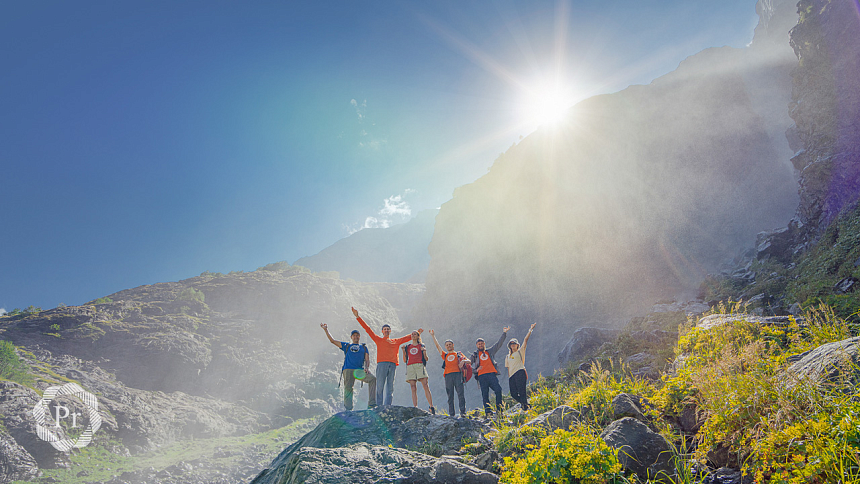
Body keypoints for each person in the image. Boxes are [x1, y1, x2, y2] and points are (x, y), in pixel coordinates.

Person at [352, 307, 416, 406]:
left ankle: (388, 406)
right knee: (380, 386)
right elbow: (368, 329)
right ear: (382, 331)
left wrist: (418, 333)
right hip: (381, 364)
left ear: (390, 331)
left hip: (393, 365)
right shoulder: (378, 340)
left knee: (390, 387)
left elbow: (408, 337)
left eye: (388, 329)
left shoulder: (396, 341)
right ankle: (379, 406)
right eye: (385, 329)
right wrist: (357, 317)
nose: (386, 330)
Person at [321, 322, 377, 411]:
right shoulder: (346, 345)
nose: (356, 337)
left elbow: (367, 359)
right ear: (351, 337)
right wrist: (326, 330)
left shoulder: (364, 347)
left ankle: (372, 404)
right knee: (348, 388)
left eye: (357, 335)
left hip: (359, 370)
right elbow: (332, 341)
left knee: (372, 379)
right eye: (354, 335)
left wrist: (367, 368)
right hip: (348, 369)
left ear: (359, 337)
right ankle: (348, 409)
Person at [429, 329, 470, 417]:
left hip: (458, 375)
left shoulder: (458, 354)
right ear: (446, 347)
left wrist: (463, 361)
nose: (448, 346)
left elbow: (469, 361)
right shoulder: (445, 355)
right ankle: (452, 414)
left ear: (453, 345)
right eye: (447, 345)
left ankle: (463, 412)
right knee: (450, 395)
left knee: (460, 394)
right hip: (448, 376)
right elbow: (437, 346)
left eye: (450, 344)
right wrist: (433, 335)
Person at [470, 326, 510, 416]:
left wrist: (504, 333)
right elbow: (468, 365)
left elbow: (498, 344)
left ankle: (499, 410)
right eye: (479, 344)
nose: (480, 345)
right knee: (485, 394)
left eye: (482, 343)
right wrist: (475, 370)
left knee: (498, 390)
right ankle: (488, 412)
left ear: (484, 344)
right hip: (481, 376)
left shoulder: (490, 351)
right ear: (477, 345)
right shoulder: (475, 355)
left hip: (491, 375)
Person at [402, 329, 435, 414]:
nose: (413, 335)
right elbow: (405, 360)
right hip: (410, 366)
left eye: (415, 334)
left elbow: (426, 359)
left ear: (418, 336)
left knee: (425, 385)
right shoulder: (407, 347)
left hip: (420, 365)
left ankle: (431, 406)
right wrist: (403, 351)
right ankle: (415, 407)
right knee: (413, 387)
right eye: (412, 334)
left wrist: (424, 352)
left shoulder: (421, 346)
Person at [505, 323, 536, 412]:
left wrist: (530, 330)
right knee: (513, 394)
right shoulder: (507, 357)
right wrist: (510, 377)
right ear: (510, 346)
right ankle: (525, 404)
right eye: (511, 344)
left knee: (522, 390)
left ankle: (525, 407)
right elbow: (508, 368)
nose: (513, 345)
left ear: (517, 345)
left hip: (520, 372)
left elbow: (525, 340)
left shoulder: (520, 351)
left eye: (514, 344)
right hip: (512, 376)